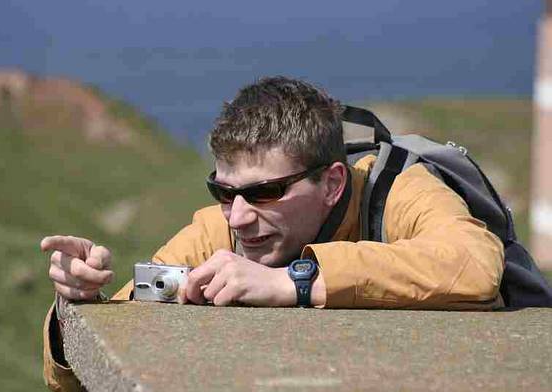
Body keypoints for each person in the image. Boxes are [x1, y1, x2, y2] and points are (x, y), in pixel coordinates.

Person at [41, 76, 504, 391]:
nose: (238, 217)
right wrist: (75, 306)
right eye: (223, 191)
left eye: (265, 192)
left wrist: (292, 282)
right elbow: (102, 360)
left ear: (333, 184)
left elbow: (476, 266)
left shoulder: (398, 191)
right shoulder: (218, 229)